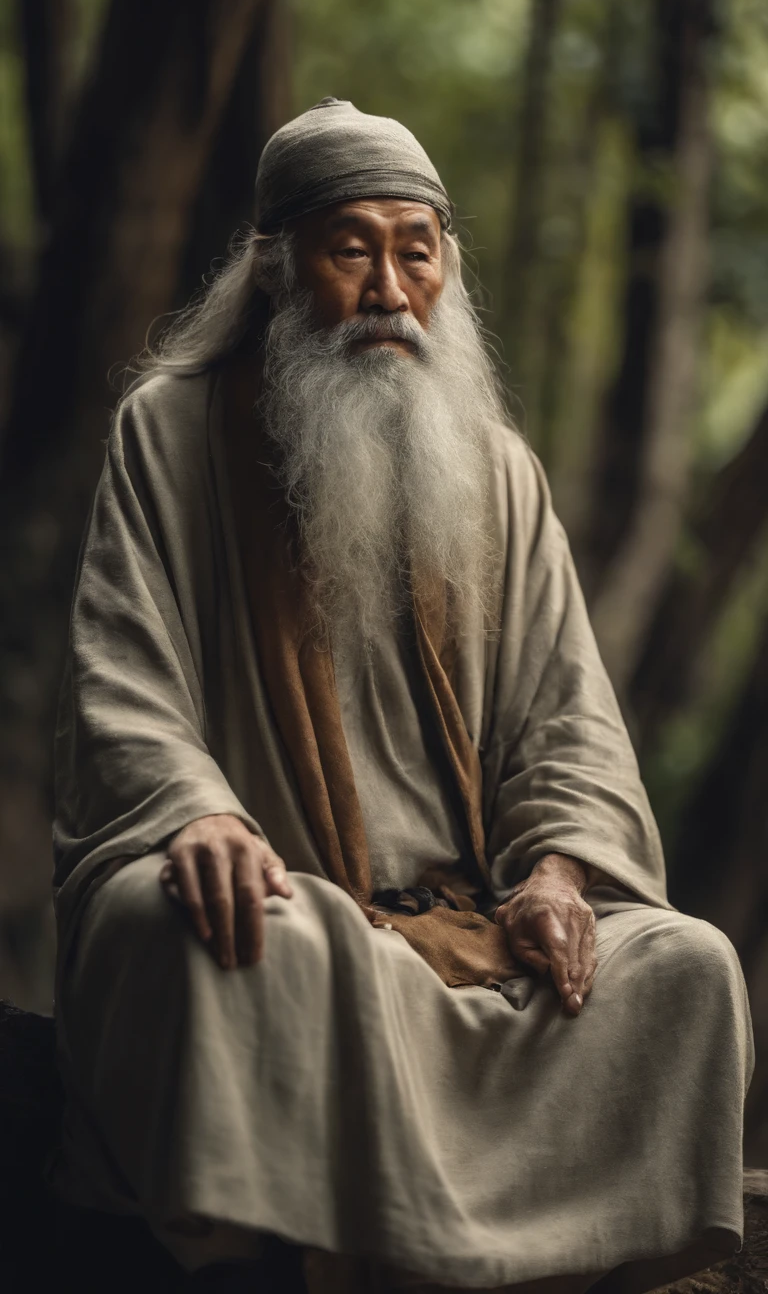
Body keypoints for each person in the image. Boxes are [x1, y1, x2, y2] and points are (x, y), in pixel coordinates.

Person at [51, 98, 753, 1293]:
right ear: (275, 271)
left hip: (466, 913)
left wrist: (559, 873)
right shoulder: (167, 434)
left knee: (687, 968)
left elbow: (569, 717)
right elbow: (124, 674)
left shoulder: (498, 472)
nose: (388, 285)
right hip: (278, 899)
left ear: (446, 268)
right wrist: (198, 815)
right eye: (350, 248)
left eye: (415, 248)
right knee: (234, 939)